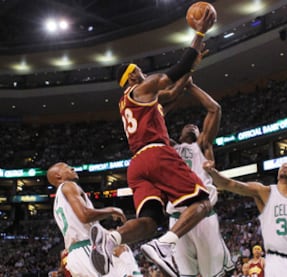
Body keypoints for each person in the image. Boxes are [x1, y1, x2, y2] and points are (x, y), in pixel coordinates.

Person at [89, 10, 216, 277]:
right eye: (139, 71)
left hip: (136, 165)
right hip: (156, 154)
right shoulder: (141, 88)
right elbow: (174, 73)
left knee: (150, 221)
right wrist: (199, 34)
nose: (144, 72)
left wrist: (191, 70)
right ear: (133, 77)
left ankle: (111, 239)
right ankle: (165, 245)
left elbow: (171, 93)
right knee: (203, 203)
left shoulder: (130, 104)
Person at [202, 161, 287, 277]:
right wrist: (213, 172)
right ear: (277, 175)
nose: (286, 166)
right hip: (276, 261)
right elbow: (230, 184)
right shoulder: (265, 192)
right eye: (283, 166)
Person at [165, 79, 234, 276]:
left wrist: (190, 87)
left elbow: (215, 110)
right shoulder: (169, 149)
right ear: (178, 135)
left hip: (202, 215)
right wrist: (174, 96)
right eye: (187, 126)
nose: (192, 126)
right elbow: (155, 119)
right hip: (177, 219)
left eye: (195, 126)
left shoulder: (202, 145)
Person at [47, 162, 141, 277]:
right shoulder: (69, 186)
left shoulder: (58, 199)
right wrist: (111, 210)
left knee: (122, 248)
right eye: (66, 167)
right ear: (58, 176)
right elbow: (84, 215)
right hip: (86, 248)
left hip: (77, 252)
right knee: (123, 252)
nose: (72, 167)